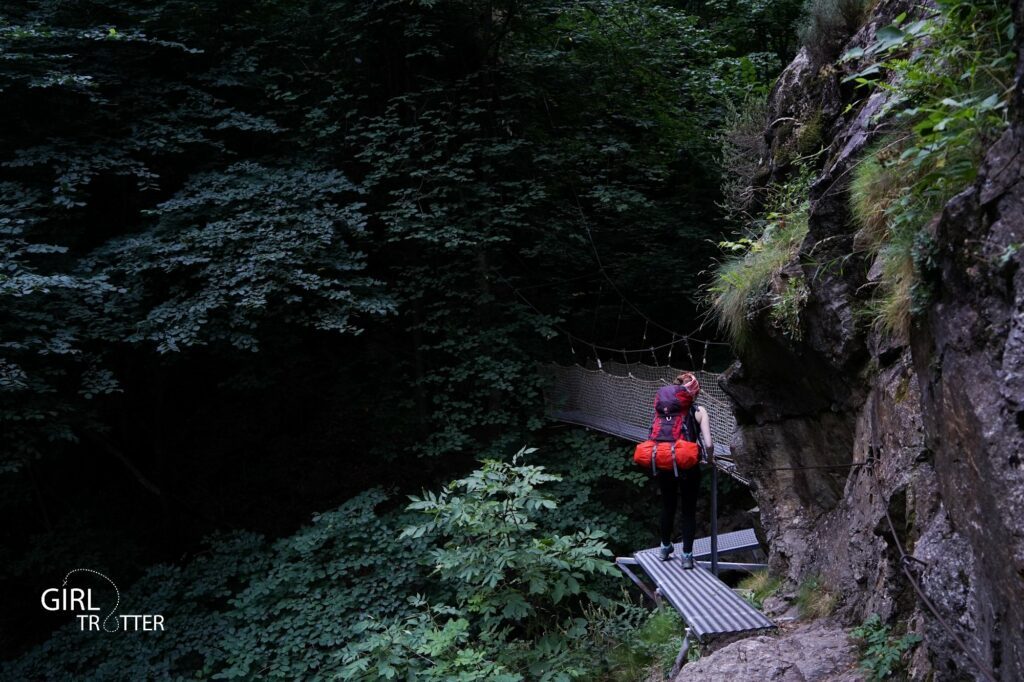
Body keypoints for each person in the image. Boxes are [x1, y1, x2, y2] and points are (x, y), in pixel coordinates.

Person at [650, 372, 714, 569]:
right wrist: (709, 459)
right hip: (688, 465)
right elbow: (709, 444)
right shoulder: (699, 410)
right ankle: (686, 556)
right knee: (688, 510)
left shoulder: (663, 410)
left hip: (664, 462)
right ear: (696, 391)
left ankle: (664, 547)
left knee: (668, 506)